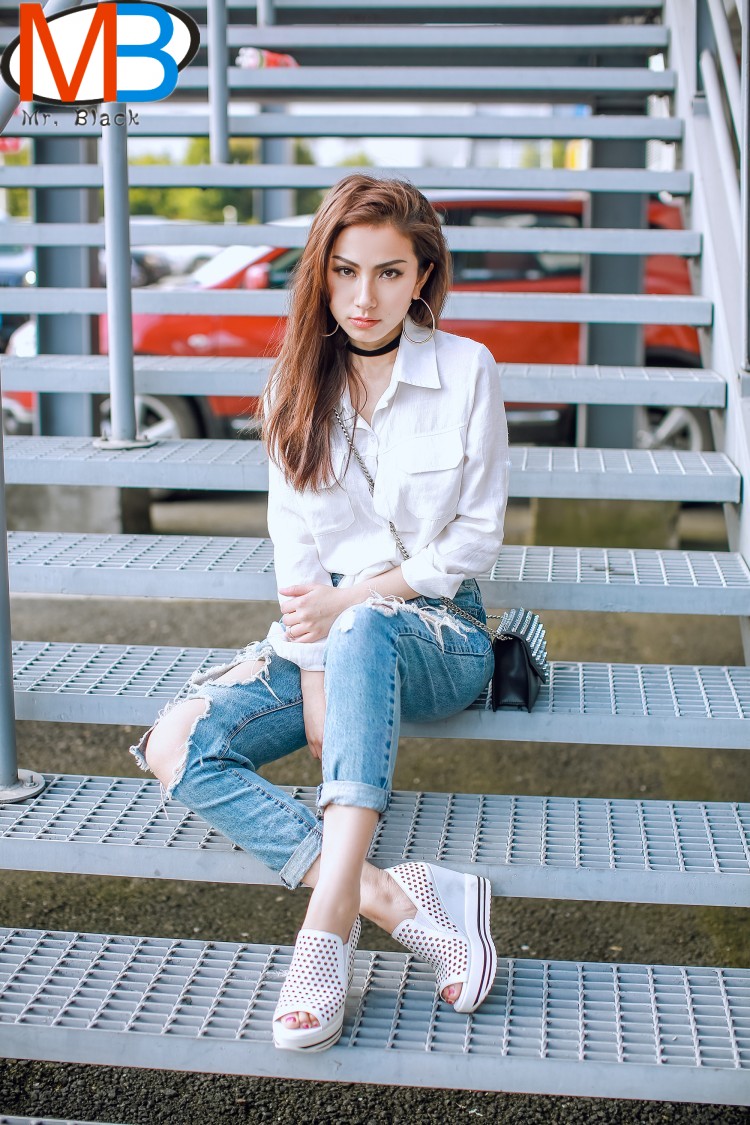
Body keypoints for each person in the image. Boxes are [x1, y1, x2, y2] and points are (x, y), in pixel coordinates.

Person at [129, 174, 511, 1053]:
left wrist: (349, 607)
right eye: (345, 271)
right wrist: (313, 669)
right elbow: (294, 551)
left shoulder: (466, 370)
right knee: (176, 742)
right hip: (319, 626)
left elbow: (475, 539)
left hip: (437, 628)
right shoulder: (292, 385)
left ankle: (325, 931)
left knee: (365, 624)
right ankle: (396, 898)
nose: (364, 296)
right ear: (321, 274)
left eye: (389, 272)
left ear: (423, 276)